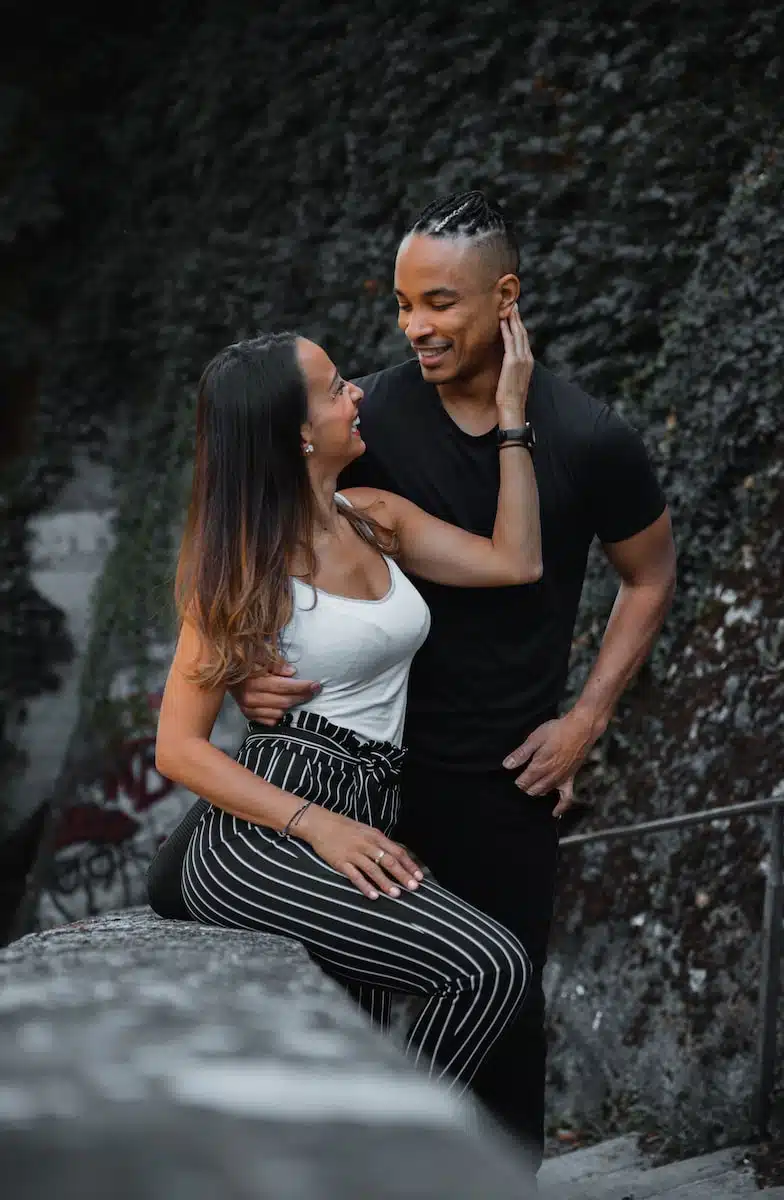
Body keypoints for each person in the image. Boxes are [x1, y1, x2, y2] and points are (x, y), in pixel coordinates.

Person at [233, 192, 677, 1161]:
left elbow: (647, 577)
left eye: (437, 302)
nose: (413, 327)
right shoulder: (370, 419)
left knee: (500, 1026)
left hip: (501, 782)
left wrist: (585, 719)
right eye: (400, 304)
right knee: (336, 1015)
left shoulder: (587, 437)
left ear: (503, 296)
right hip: (355, 774)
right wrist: (243, 674)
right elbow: (281, 563)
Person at [151, 312, 547, 1098]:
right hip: (274, 823)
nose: (356, 393)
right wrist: (315, 823)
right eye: (335, 389)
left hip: (369, 803)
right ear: (296, 432)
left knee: (354, 1046)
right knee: (488, 966)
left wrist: (512, 420)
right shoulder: (241, 564)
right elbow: (179, 749)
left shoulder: (374, 516)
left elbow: (517, 561)